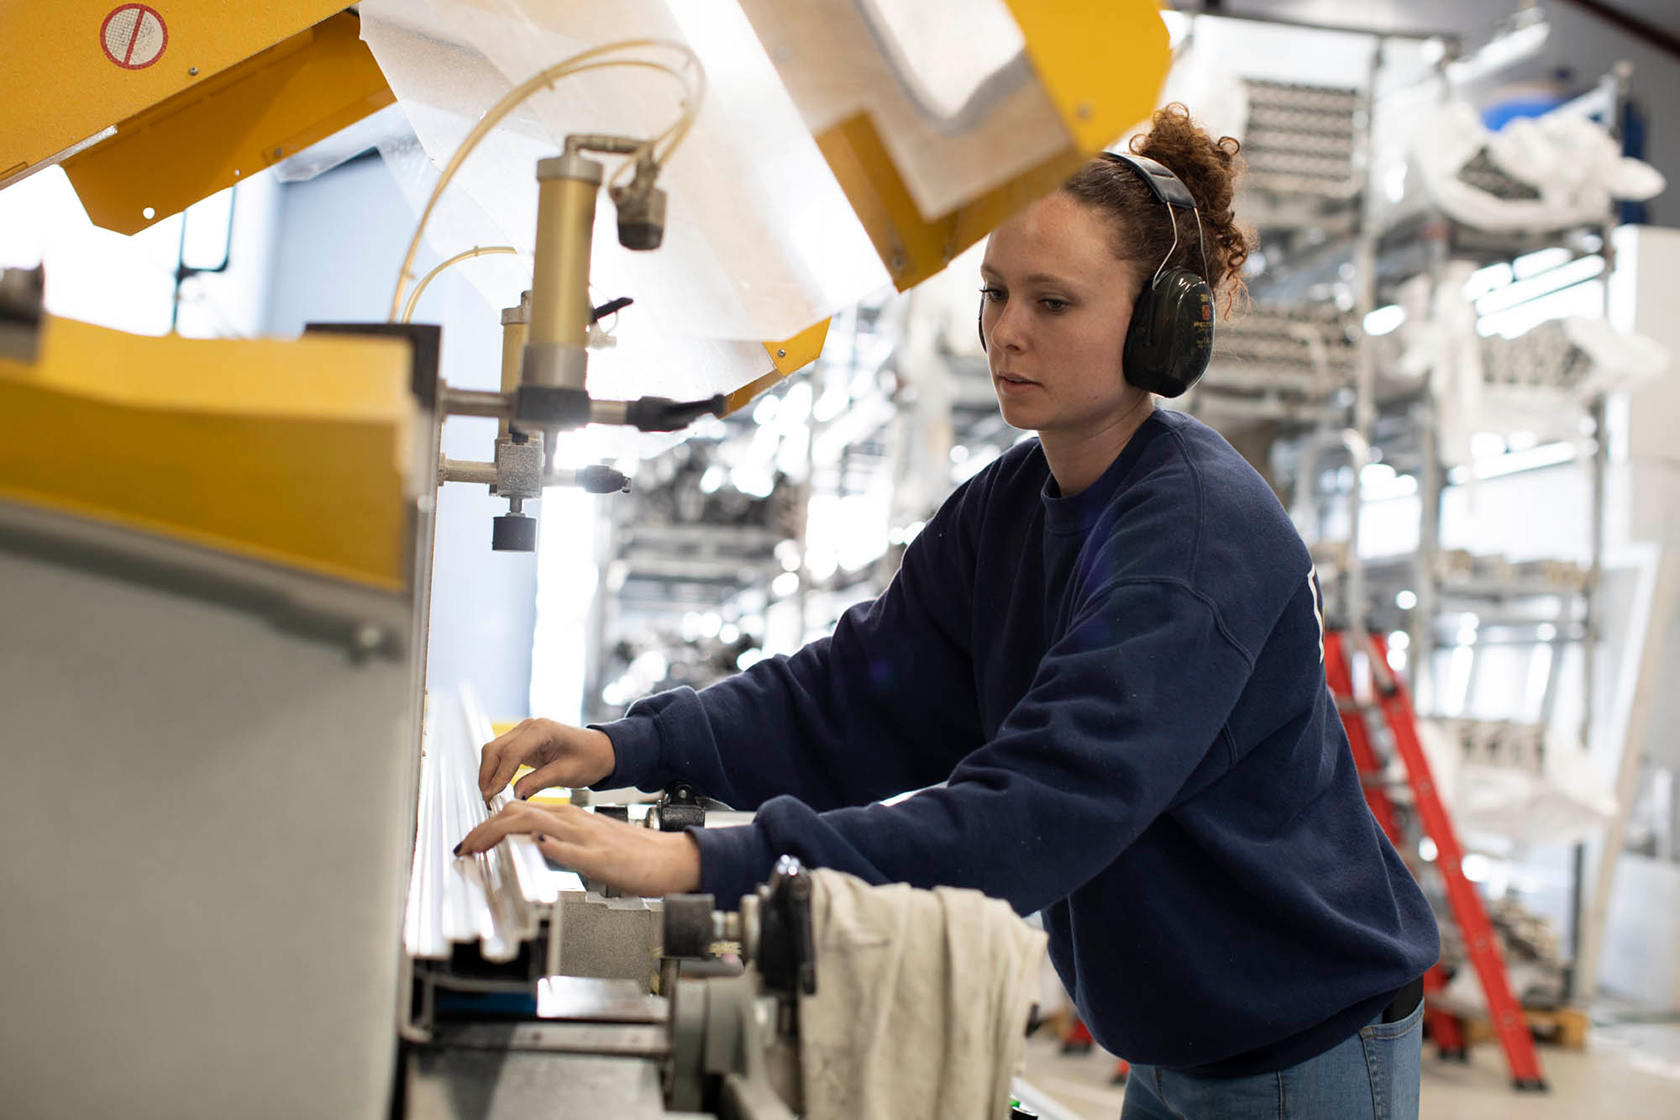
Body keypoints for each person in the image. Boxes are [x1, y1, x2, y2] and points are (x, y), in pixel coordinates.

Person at [455, 104, 1440, 1119]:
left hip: (1296, 1046)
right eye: (997, 293)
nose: (1007, 331)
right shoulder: (1011, 504)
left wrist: (708, 861)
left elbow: (1034, 812)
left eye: (1054, 303)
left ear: (1162, 327)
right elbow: (854, 696)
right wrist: (628, 747)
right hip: (1182, 1031)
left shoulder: (1194, 536)